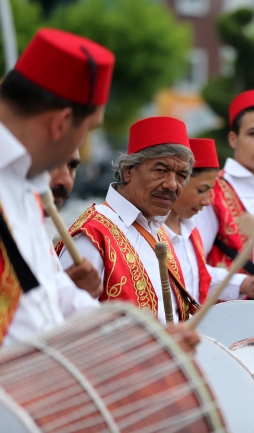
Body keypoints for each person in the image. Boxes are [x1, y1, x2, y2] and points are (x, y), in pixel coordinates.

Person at [0, 28, 115, 346]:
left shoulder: (29, 183)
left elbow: (47, 293)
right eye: (87, 130)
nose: (80, 144)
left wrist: (140, 338)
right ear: (61, 123)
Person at [59, 116, 200, 324]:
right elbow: (65, 324)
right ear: (128, 171)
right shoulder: (92, 234)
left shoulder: (156, 228)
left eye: (181, 175)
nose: (172, 184)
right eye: (161, 170)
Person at [194, 90, 254, 299]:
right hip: (226, 320)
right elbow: (189, 266)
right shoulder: (212, 191)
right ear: (233, 139)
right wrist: (242, 283)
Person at [164, 138, 254, 302]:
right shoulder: (148, 229)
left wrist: (245, 283)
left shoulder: (190, 229)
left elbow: (197, 275)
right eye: (202, 190)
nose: (207, 201)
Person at [45, 148, 103, 298]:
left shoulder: (43, 231)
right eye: (52, 164)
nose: (66, 180)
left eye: (71, 166)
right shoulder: (92, 235)